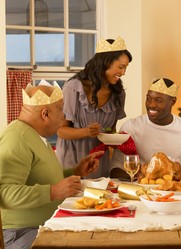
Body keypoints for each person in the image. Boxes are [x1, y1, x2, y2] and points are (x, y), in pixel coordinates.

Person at [0, 81, 103, 249]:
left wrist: (75, 171)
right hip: (16, 233)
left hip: (36, 226)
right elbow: (4, 193)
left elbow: (39, 177)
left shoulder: (33, 135)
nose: (63, 116)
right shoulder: (16, 139)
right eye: (61, 109)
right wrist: (53, 191)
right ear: (45, 113)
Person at [56, 36, 132, 179]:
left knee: (100, 199)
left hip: (98, 160)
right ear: (105, 63)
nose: (123, 73)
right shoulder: (73, 88)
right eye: (121, 67)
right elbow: (61, 131)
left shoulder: (118, 94)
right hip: (71, 159)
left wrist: (118, 140)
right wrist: (86, 131)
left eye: (125, 68)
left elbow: (111, 130)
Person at [110, 77, 181, 180]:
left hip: (176, 192)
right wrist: (140, 177)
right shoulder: (130, 127)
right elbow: (115, 169)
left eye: (158, 100)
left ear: (173, 101)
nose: (151, 105)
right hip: (141, 190)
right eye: (148, 98)